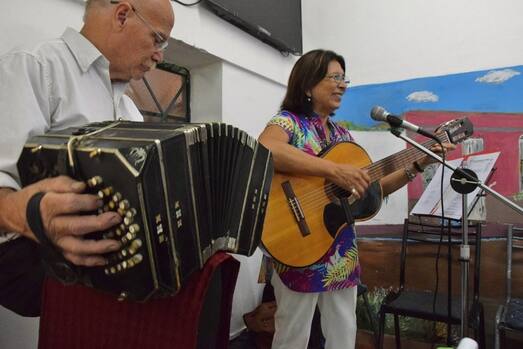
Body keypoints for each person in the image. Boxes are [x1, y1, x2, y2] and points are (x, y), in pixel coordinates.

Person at [258, 49, 454, 349]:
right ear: (308, 85)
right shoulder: (288, 123)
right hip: (295, 242)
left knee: (344, 333)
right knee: (293, 335)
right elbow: (266, 150)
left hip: (339, 250)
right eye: (334, 77)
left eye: (343, 78)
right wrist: (334, 170)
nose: (342, 85)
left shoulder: (342, 136)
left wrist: (418, 164)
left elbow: (374, 189)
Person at [0, 0, 175, 316]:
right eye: (158, 39)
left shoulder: (130, 112)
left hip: (107, 285)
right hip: (39, 276)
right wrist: (35, 218)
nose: (160, 55)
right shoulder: (35, 66)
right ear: (122, 15)